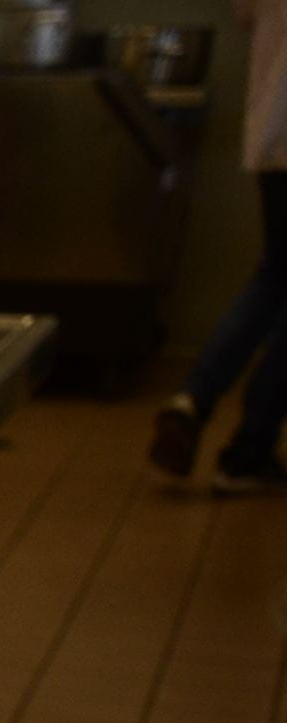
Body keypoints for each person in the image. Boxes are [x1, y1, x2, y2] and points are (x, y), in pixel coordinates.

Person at [151, 0, 287, 491]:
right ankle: (249, 450)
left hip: (273, 137)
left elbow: (247, 14)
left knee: (273, 278)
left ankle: (195, 397)